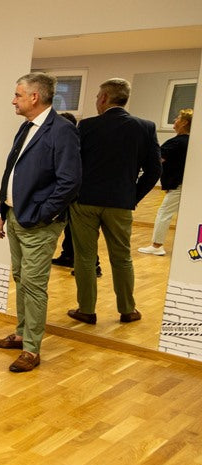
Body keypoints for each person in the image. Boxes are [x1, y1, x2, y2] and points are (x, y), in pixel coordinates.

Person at [0, 73, 81, 373]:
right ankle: (21, 333)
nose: (14, 100)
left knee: (34, 285)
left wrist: (44, 214)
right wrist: (3, 210)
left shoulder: (62, 131)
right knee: (20, 278)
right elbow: (12, 171)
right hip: (15, 216)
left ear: (34, 97)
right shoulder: (25, 127)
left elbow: (70, 182)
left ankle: (31, 349)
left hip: (38, 223)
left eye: (17, 94)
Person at [67, 78, 161, 325]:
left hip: (84, 201)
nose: (97, 101)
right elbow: (154, 171)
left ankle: (86, 309)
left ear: (105, 98)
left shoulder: (85, 126)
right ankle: (128, 309)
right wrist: (133, 196)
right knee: (122, 257)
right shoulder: (145, 127)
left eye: (98, 97)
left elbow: (72, 166)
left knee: (85, 257)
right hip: (121, 202)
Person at [53, 113, 103, 278]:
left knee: (79, 232)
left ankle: (94, 265)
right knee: (70, 229)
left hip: (78, 194)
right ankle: (68, 256)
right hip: (69, 193)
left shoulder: (75, 143)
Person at [139, 108, 192, 256]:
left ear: (184, 123)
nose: (175, 121)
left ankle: (157, 246)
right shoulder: (192, 141)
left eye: (177, 118)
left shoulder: (176, 143)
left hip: (178, 185)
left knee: (164, 213)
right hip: (186, 185)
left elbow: (157, 161)